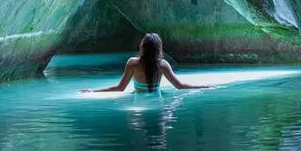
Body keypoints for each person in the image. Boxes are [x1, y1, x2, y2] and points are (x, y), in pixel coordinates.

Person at [80, 33, 214, 93]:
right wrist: (203, 86)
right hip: (157, 99)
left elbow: (120, 88)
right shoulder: (162, 65)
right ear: (158, 49)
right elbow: (179, 86)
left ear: (142, 47)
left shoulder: (133, 63)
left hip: (138, 98)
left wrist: (93, 91)